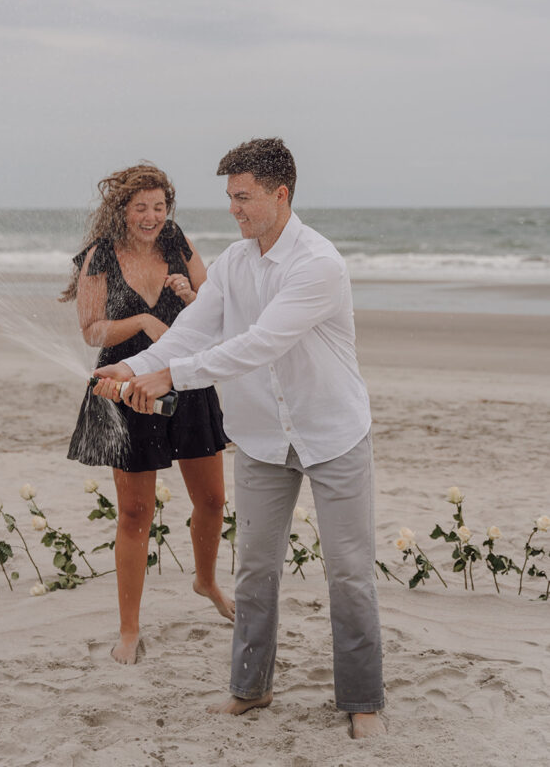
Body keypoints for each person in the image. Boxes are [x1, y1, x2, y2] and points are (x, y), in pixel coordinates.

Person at [94, 139, 386, 738]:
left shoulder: (318, 264)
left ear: (281, 195)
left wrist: (168, 376)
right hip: (260, 440)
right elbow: (193, 330)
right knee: (255, 570)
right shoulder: (231, 263)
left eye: (244, 196)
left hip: (333, 435)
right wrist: (134, 367)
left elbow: (259, 344)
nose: (234, 208)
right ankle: (250, 689)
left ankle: (363, 702)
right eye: (229, 196)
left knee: (349, 572)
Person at [62, 163, 234, 665]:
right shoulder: (99, 256)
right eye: (142, 207)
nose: (152, 217)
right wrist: (142, 320)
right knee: (135, 512)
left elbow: (213, 303)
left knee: (213, 499)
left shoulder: (177, 241)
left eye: (160, 207)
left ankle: (205, 581)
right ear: (122, 209)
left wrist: (189, 295)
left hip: (185, 378)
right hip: (124, 386)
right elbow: (91, 330)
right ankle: (129, 629)